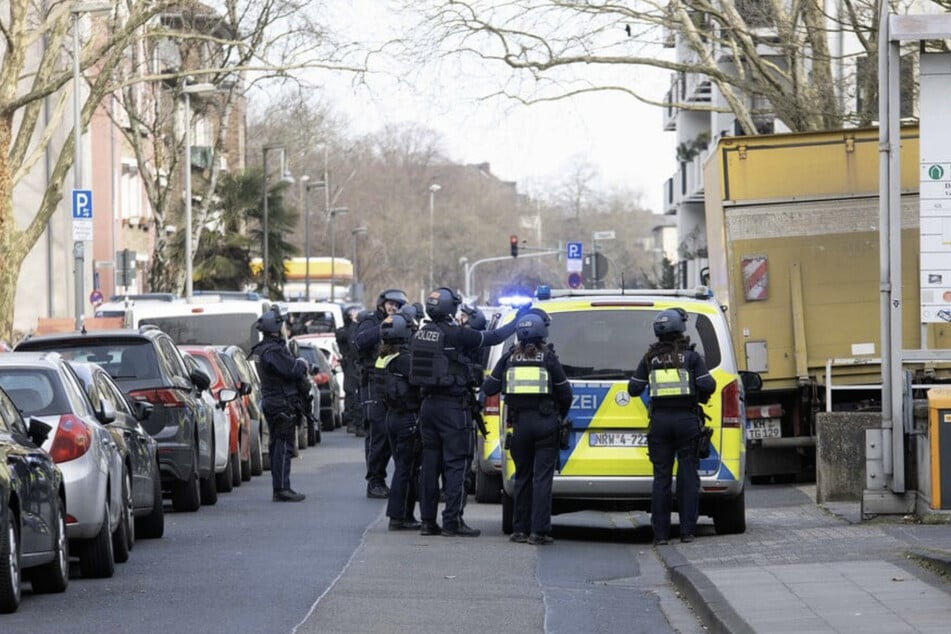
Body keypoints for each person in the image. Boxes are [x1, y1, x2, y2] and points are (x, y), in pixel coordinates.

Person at [409, 287, 521, 537]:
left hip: (427, 407)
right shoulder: (456, 334)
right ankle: (452, 521)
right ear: (450, 307)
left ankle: (427, 522)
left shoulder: (421, 333)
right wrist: (519, 320)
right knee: (456, 464)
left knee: (429, 467)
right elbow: (493, 337)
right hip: (452, 408)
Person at [626, 308, 715, 545]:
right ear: (681, 329)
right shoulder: (692, 358)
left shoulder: (650, 359)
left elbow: (633, 389)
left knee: (661, 478)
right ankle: (687, 532)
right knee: (687, 477)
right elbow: (709, 385)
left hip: (660, 424)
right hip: (686, 422)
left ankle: (661, 535)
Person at [482, 311, 572, 545]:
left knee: (522, 476)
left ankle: (519, 530)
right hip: (545, 424)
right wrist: (559, 414)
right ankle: (539, 531)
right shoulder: (548, 358)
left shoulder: (509, 358)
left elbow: (489, 387)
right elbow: (565, 393)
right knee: (542, 479)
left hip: (520, 426)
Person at [251, 305, 312, 502]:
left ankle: (280, 487)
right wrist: (302, 363)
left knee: (277, 444)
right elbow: (292, 369)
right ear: (276, 328)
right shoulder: (273, 350)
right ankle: (282, 488)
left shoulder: (264, 348)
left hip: (273, 401)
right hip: (280, 402)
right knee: (283, 446)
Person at [353, 289, 408, 498]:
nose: (394, 308)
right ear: (382, 303)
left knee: (392, 432)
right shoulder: (370, 321)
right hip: (372, 383)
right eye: (391, 304)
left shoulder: (400, 321)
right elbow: (359, 341)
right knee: (377, 433)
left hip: (392, 383)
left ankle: (388, 480)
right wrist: (382, 327)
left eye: (397, 305)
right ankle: (374, 480)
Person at [377, 314, 422, 530]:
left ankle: (402, 515)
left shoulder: (382, 357)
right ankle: (400, 517)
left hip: (391, 417)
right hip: (407, 417)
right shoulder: (405, 359)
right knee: (407, 469)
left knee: (402, 467)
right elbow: (423, 381)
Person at [336, 305, 363, 434]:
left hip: (358, 364)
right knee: (351, 392)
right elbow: (349, 339)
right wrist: (353, 323)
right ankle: (352, 420)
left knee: (361, 393)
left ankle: (360, 421)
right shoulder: (342, 331)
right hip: (349, 365)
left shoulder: (358, 330)